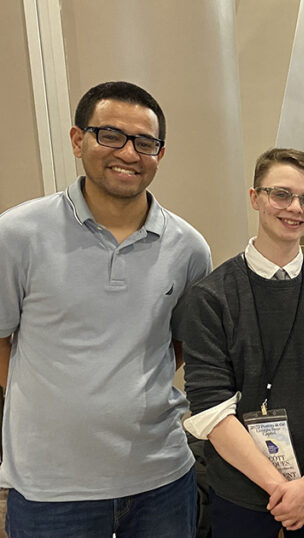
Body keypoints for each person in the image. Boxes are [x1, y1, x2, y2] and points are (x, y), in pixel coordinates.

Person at [0, 81, 210, 537]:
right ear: (79, 140)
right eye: (110, 135)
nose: (129, 153)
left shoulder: (189, 248)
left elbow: (176, 343)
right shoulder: (16, 234)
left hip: (162, 478)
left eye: (145, 142)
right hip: (50, 488)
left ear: (159, 153)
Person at [175, 148, 304, 537]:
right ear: (255, 198)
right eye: (281, 194)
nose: (294, 208)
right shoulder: (212, 297)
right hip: (243, 489)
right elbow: (211, 408)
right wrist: (284, 491)